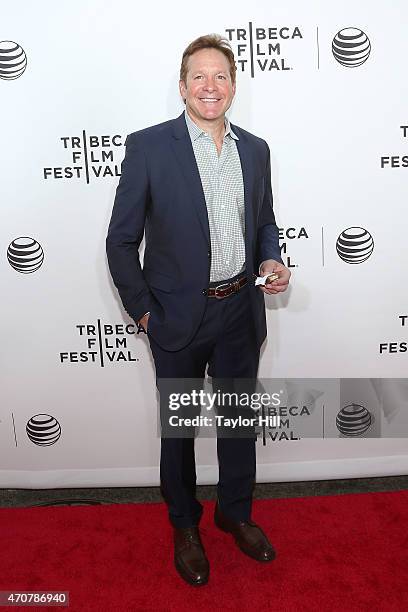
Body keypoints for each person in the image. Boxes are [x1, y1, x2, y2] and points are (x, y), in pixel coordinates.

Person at [106, 33, 290, 586]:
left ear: (233, 86)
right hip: (177, 321)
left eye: (222, 76)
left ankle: (236, 512)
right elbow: (121, 242)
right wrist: (143, 313)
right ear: (183, 87)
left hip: (239, 310)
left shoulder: (254, 149)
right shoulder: (150, 147)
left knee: (237, 423)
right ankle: (185, 525)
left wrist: (273, 259)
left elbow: (263, 222)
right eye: (200, 77)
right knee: (180, 430)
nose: (211, 86)